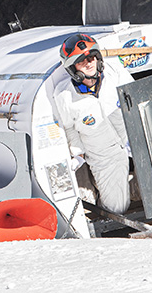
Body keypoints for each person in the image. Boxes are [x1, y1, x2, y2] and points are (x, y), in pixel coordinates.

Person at [51, 33, 135, 214]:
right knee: (117, 208)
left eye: (92, 57)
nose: (89, 63)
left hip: (131, 145)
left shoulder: (115, 74)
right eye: (82, 61)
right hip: (104, 158)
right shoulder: (65, 96)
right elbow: (69, 128)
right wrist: (77, 154)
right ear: (72, 67)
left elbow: (138, 100)